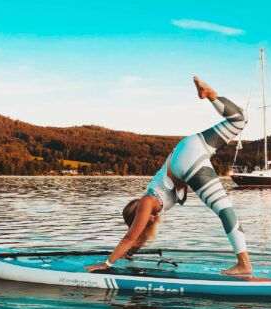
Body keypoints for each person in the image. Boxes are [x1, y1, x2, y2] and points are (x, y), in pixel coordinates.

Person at [87, 76, 252, 275]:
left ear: (138, 217)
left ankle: (243, 264)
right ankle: (211, 96)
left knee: (224, 210)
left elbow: (130, 238)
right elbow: (138, 239)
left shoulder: (148, 202)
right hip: (189, 146)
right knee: (239, 119)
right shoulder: (152, 209)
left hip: (187, 160)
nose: (141, 228)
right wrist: (127, 254)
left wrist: (107, 264)